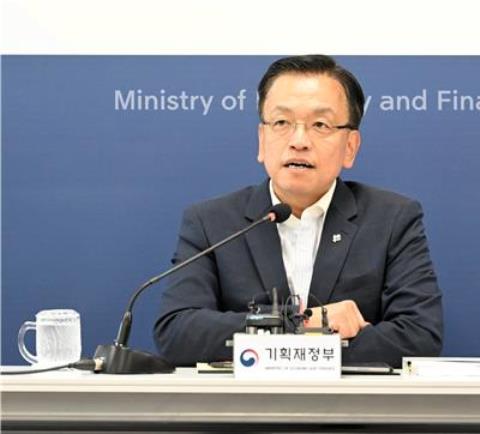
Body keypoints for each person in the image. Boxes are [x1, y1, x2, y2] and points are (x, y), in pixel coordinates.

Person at [154, 55, 442, 367]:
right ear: (262, 140)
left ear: (350, 147)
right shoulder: (212, 222)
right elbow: (178, 333)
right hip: (245, 412)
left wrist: (279, 347)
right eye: (281, 123)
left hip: (349, 412)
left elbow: (419, 336)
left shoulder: (391, 219)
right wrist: (304, 323)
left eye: (320, 124)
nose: (299, 140)